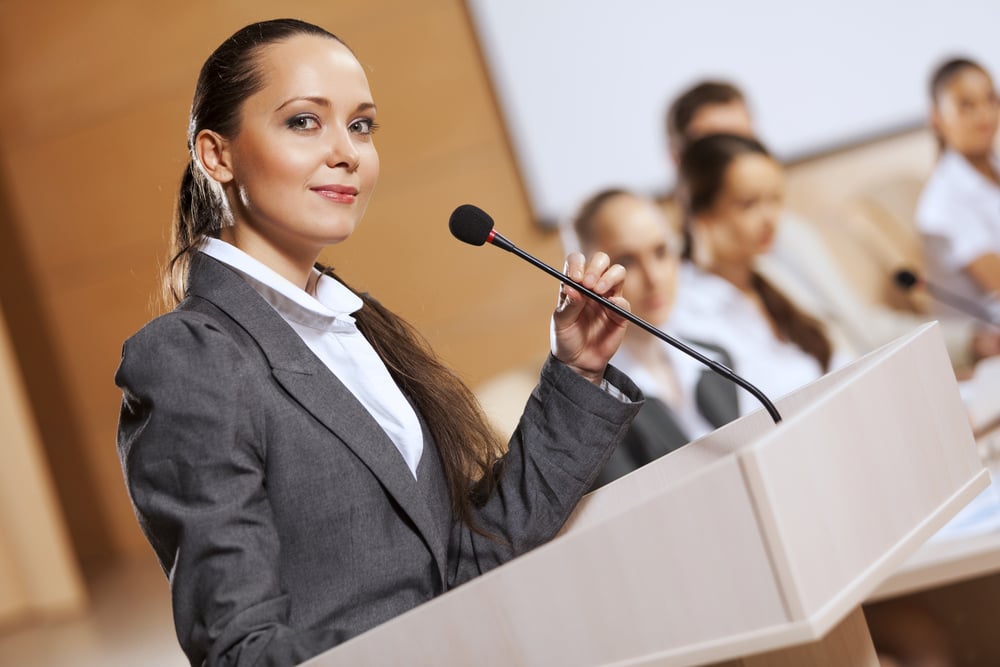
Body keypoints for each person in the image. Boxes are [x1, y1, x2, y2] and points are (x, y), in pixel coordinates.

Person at [114, 19, 642, 667]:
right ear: (215, 155)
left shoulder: (355, 326)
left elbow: (468, 557)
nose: (348, 152)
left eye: (361, 125)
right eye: (305, 121)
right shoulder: (191, 357)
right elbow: (242, 652)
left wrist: (577, 370)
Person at [665, 81, 994, 368]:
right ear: (684, 167)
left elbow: (864, 330)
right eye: (718, 146)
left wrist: (971, 341)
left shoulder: (791, 232)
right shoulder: (682, 284)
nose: (740, 158)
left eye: (746, 138)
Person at [572, 189, 739, 489]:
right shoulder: (592, 406)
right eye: (627, 261)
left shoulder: (717, 358)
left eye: (661, 252)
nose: (654, 277)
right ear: (588, 274)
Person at [672, 133, 840, 413]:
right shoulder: (686, 310)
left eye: (774, 199)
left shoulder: (775, 275)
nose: (769, 217)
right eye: (748, 203)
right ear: (699, 212)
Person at [916, 57, 1000, 326]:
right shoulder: (943, 203)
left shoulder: (994, 166)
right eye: (966, 105)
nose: (985, 114)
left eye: (990, 99)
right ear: (937, 118)